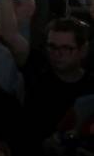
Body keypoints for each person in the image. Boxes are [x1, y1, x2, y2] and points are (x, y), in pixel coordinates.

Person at [25, 18, 94, 152]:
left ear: (83, 50)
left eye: (67, 48)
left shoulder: (91, 87)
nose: (58, 53)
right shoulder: (38, 85)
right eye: (52, 46)